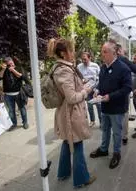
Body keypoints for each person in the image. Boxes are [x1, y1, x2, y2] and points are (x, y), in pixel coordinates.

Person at [47, 38, 96, 188]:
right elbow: (72, 97)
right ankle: (81, 179)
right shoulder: (64, 70)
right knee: (77, 144)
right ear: (63, 53)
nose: (74, 53)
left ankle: (63, 173)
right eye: (71, 50)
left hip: (67, 113)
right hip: (71, 114)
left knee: (67, 142)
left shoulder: (62, 67)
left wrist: (82, 83)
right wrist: (86, 90)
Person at [90, 40, 132, 169]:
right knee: (105, 129)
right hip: (105, 106)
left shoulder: (123, 68)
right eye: (102, 51)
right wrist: (97, 91)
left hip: (117, 108)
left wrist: (110, 96)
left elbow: (127, 88)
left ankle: (116, 153)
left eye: (105, 52)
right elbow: (101, 84)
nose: (102, 54)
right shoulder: (103, 67)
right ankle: (103, 150)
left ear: (114, 53)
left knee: (117, 132)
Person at [0, 57, 29, 130]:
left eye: (11, 63)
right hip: (8, 94)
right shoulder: (3, 70)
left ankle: (25, 122)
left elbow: (23, 77)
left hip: (19, 93)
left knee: (22, 108)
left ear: (13, 61)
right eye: (8, 65)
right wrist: (3, 69)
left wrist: (13, 70)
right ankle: (13, 124)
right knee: (11, 111)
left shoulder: (19, 68)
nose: (11, 65)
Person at [77, 52, 102, 127]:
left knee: (99, 106)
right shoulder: (79, 67)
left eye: (85, 59)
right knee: (89, 106)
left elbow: (100, 77)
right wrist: (83, 81)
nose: (83, 61)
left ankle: (101, 122)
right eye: (82, 59)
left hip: (96, 89)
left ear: (89, 58)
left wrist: (97, 88)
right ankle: (92, 121)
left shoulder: (95, 66)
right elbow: (78, 78)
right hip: (86, 90)